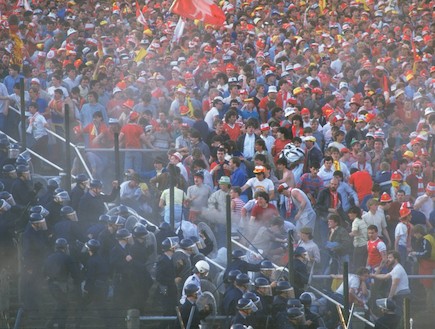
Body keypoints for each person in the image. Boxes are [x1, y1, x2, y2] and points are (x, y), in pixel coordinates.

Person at [43, 238, 81, 329]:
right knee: (62, 306)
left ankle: (59, 326)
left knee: (62, 306)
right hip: (61, 286)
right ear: (65, 247)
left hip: (51, 285)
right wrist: (78, 283)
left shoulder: (49, 257)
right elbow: (75, 273)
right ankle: (49, 325)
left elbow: (44, 272)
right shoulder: (67, 258)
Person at [371, 251, 410, 315]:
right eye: (388, 257)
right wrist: (374, 275)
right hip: (400, 294)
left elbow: (394, 284)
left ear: (396, 259)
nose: (388, 259)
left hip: (402, 295)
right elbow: (385, 276)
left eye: (390, 258)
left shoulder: (397, 269)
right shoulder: (395, 269)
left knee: (400, 313)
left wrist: (389, 298)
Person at [155, 237, 180, 324]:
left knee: (172, 314)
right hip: (167, 292)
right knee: (168, 315)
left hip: (171, 292)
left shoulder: (170, 259)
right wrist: (173, 281)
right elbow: (159, 277)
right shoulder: (163, 260)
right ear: (170, 248)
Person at [348, 206, 368, 271]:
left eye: (350, 213)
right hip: (365, 245)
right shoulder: (362, 220)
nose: (349, 214)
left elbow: (354, 232)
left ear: (355, 214)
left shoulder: (355, 222)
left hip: (359, 247)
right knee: (363, 265)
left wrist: (346, 235)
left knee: (357, 266)